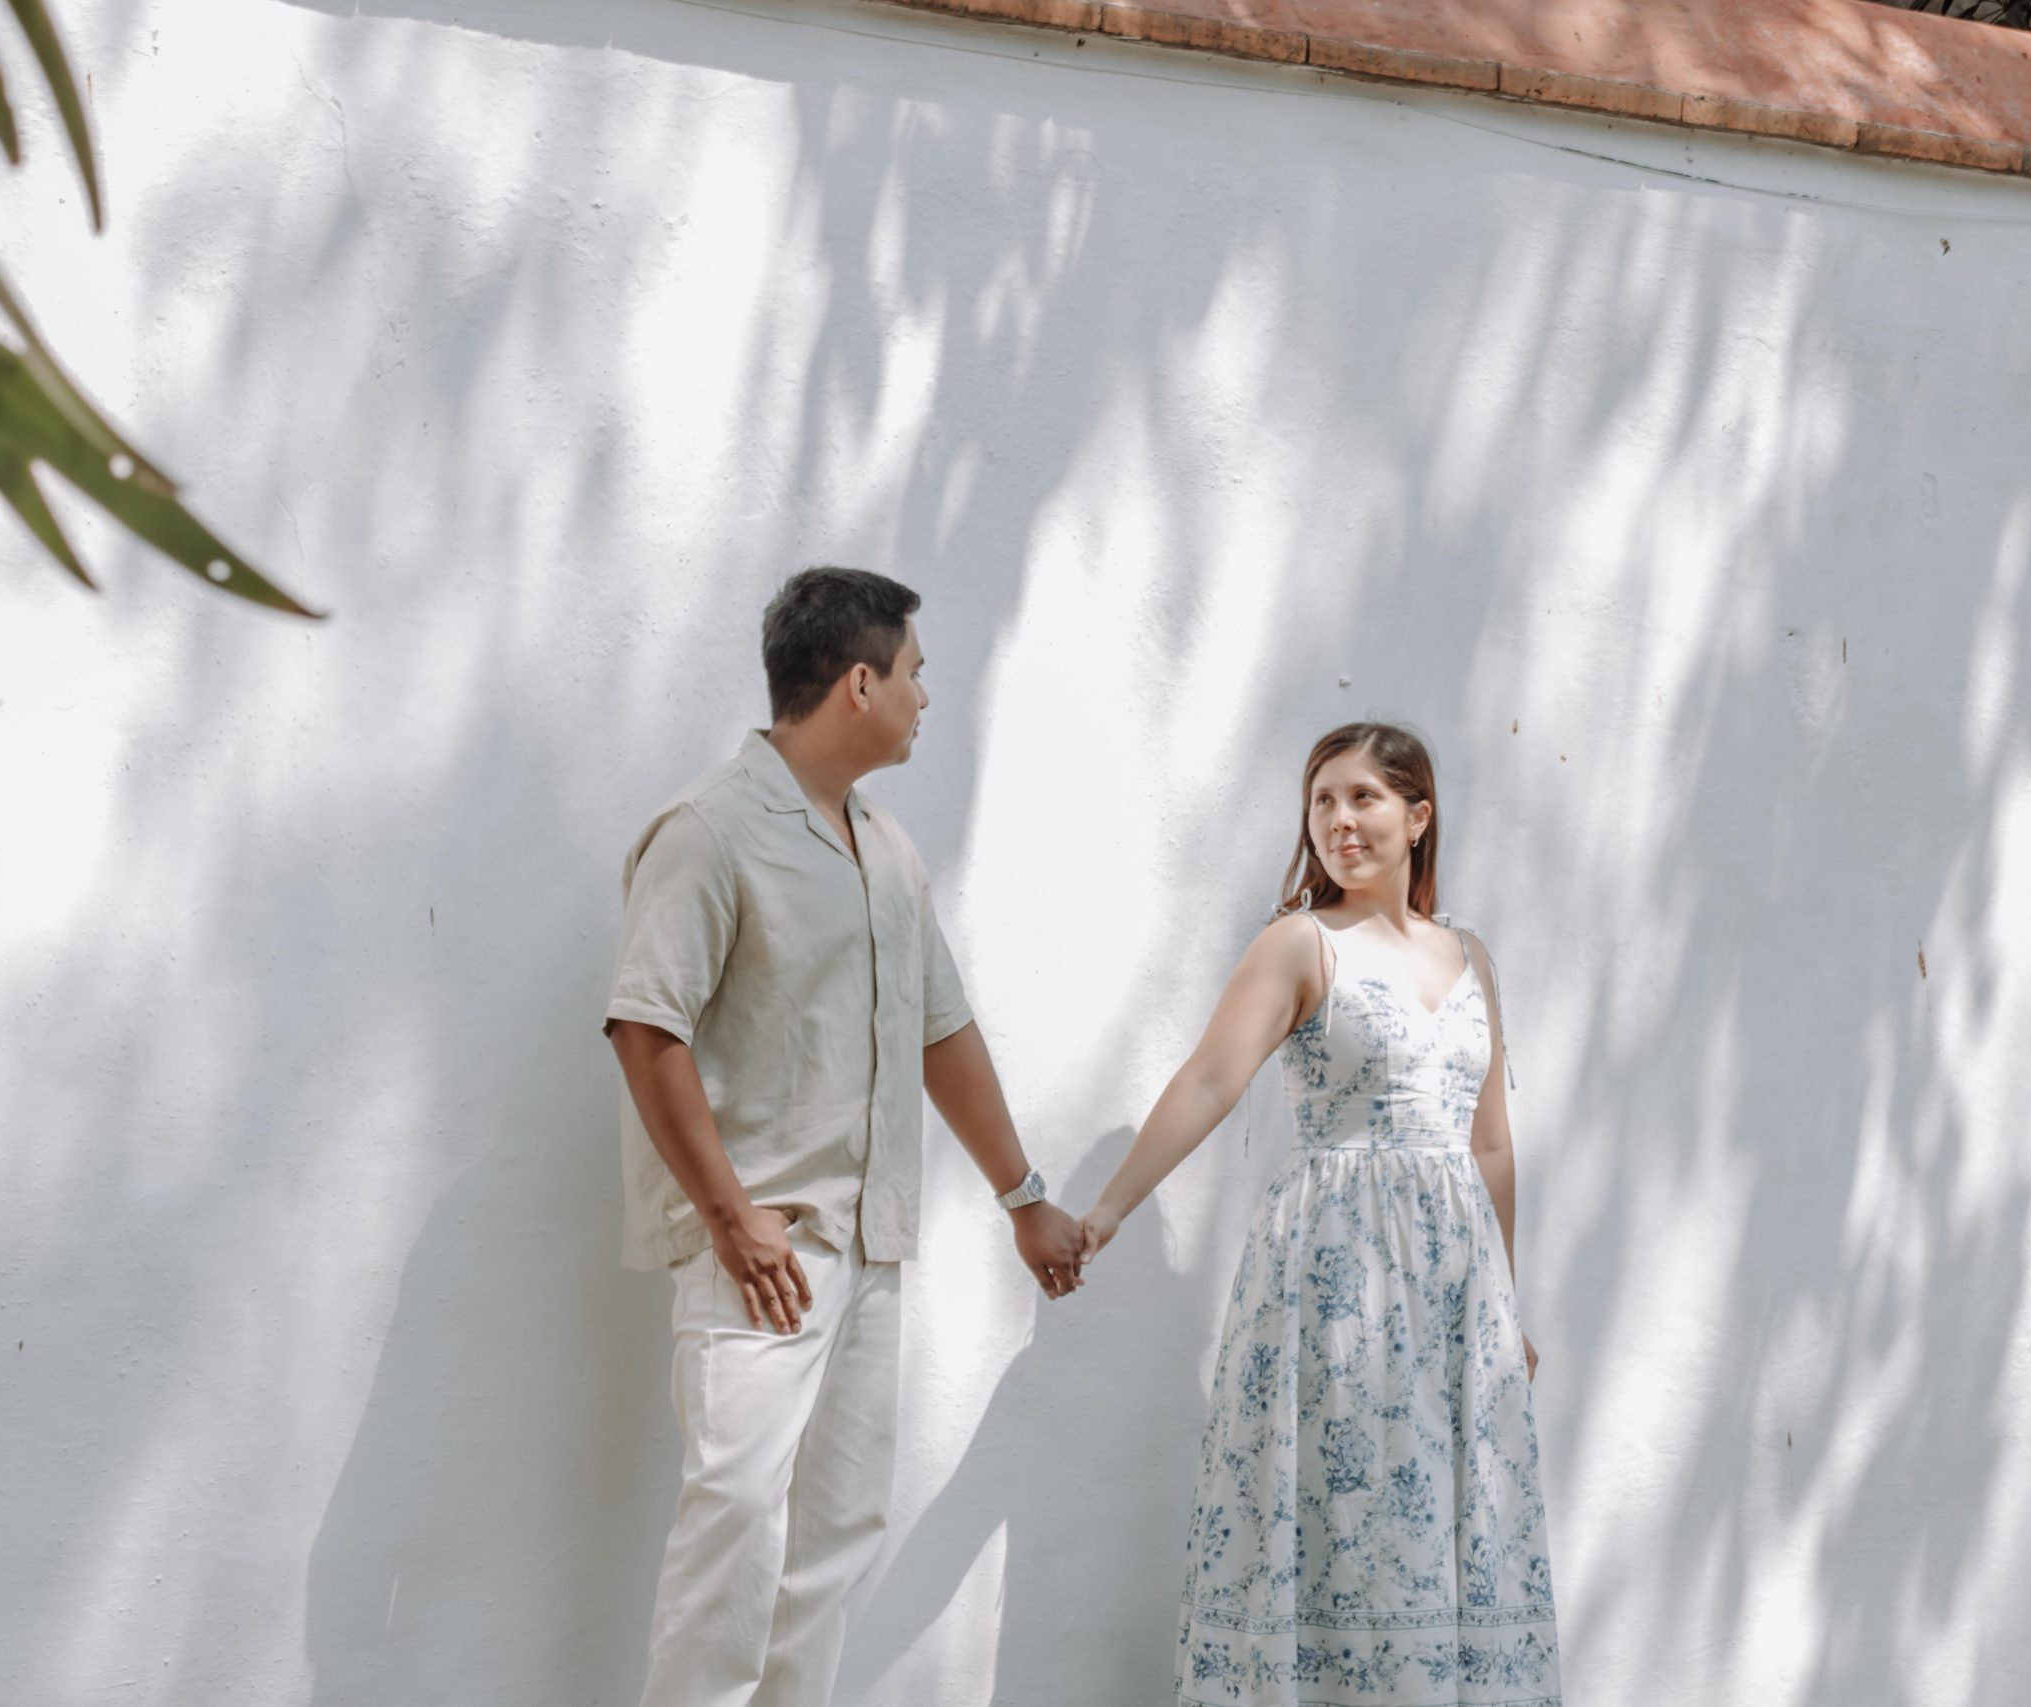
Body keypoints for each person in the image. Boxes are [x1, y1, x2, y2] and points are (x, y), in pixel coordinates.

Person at [603, 566, 1088, 1707]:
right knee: (734, 1533)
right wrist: (731, 1218)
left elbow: (942, 1032)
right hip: (760, 1253)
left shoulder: (887, 849)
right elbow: (646, 1026)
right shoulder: (710, 832)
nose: (925, 696)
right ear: (859, 684)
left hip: (868, 1250)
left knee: (832, 1540)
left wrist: (1024, 1199)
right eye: (914, 672)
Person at [1078, 721, 1561, 1706]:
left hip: (1455, 1285)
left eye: (1363, 797)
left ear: (1417, 817)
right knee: (1351, 1511)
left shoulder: (1471, 956)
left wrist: (1504, 1307)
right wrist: (1107, 1212)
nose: (1339, 820)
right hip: (1337, 1274)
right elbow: (1210, 1080)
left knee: (1445, 1516)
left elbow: (1490, 1144)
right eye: (1322, 800)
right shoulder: (1301, 943)